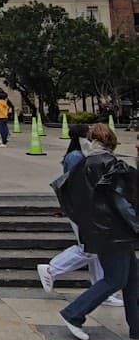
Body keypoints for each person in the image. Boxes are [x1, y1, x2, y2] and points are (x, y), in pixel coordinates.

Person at [56, 122, 139, 340]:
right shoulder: (111, 165)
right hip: (115, 231)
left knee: (132, 279)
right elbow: (121, 202)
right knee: (115, 279)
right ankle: (74, 313)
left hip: (100, 229)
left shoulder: (83, 164)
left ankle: (137, 326)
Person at [37, 124, 120, 303]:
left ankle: (102, 290)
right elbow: (80, 185)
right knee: (88, 249)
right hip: (85, 211)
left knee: (96, 251)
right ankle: (52, 269)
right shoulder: (84, 158)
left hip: (87, 210)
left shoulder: (87, 156)